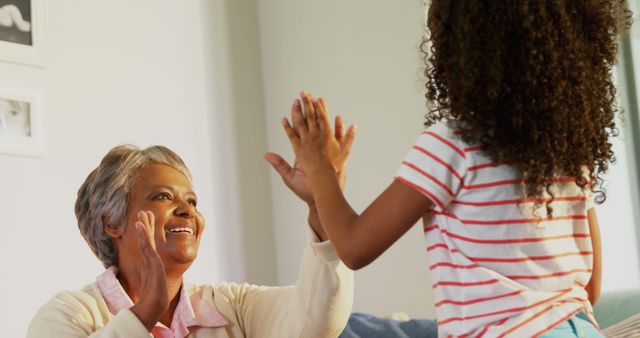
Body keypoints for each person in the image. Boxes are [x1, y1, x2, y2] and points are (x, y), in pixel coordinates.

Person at [277, 1, 633, 337]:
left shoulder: (452, 145)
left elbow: (354, 248)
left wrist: (322, 172)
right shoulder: (570, 151)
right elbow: (590, 287)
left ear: (463, 49)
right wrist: (321, 197)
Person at [27, 128, 355, 337]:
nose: (188, 210)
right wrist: (143, 315)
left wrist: (322, 203)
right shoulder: (67, 315)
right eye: (163, 196)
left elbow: (314, 320)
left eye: (192, 200)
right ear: (112, 223)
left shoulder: (231, 306)